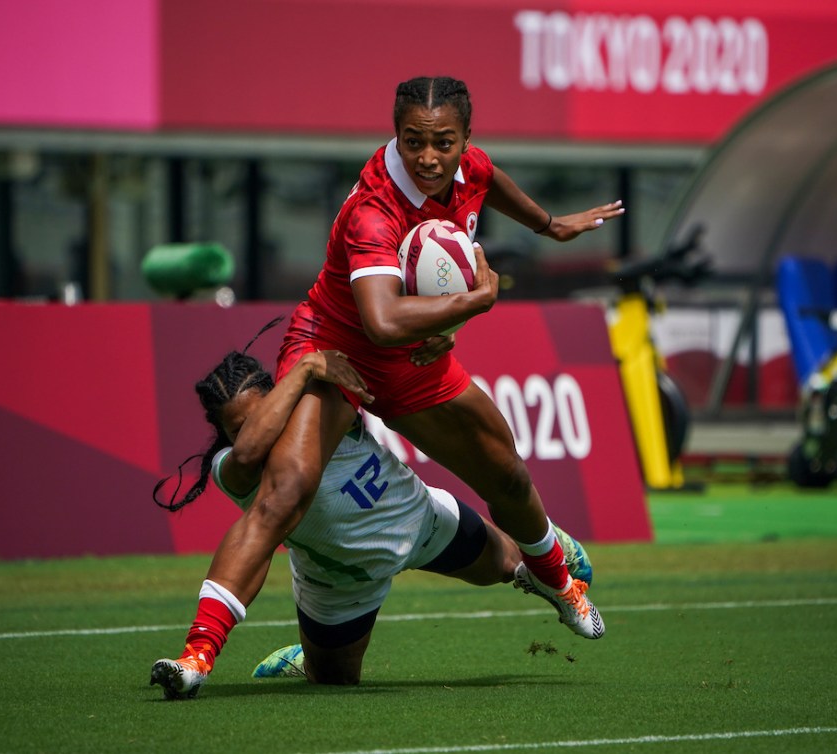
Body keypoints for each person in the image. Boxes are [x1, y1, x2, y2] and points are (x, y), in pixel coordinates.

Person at [155, 75, 623, 694]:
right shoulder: (373, 212)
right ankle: (196, 657)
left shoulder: (468, 165)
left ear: (465, 140)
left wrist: (548, 225)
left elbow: (488, 179)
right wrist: (473, 302)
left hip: (408, 359)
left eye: (443, 143)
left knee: (506, 474)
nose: (428, 157)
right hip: (336, 348)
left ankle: (560, 582)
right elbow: (378, 320)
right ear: (395, 134)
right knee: (285, 488)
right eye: (413, 142)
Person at [150, 332, 595, 697]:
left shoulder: (321, 409)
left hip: (420, 521)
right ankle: (300, 655)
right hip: (339, 583)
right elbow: (248, 451)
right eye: (236, 427)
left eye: (260, 414)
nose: (251, 432)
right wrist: (306, 366)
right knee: (334, 681)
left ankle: (549, 554)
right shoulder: (232, 469)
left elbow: (387, 351)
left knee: (509, 565)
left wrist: (445, 333)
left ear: (280, 398)